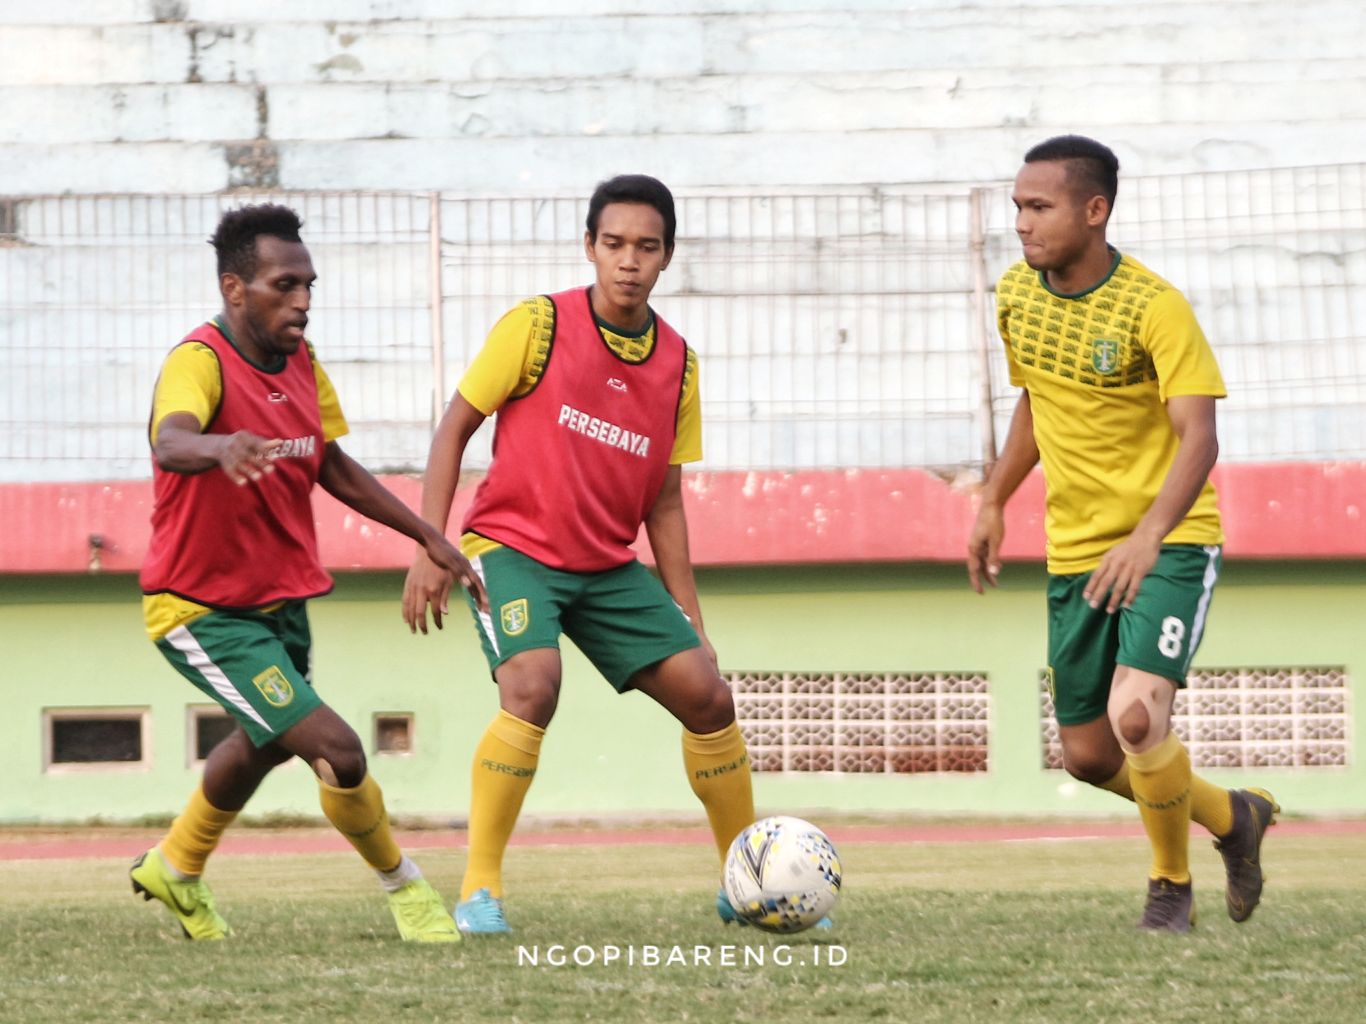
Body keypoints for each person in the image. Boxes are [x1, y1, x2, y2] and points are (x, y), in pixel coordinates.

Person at [403, 174, 762, 935]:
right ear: (590, 247)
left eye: (646, 246)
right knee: (534, 684)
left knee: (710, 696)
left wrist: (691, 617)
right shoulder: (537, 325)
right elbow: (453, 428)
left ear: (668, 255)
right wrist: (431, 545)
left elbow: (663, 500)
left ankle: (747, 886)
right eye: (614, 244)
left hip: (605, 567)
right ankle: (478, 894)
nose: (628, 261)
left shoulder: (679, 365)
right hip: (513, 551)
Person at [133, 203, 486, 943]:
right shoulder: (198, 361)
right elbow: (170, 440)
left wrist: (428, 535)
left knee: (264, 741)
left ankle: (176, 866)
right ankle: (408, 890)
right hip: (201, 610)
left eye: (308, 285)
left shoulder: (303, 360)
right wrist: (221, 444)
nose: (301, 301)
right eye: (283, 285)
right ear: (236, 288)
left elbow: (328, 462)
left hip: (277, 602)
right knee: (338, 749)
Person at [967, 136, 1279, 933]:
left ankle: (1169, 887)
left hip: (1167, 543)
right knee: (1091, 756)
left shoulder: (1154, 306)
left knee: (1138, 719)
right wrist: (995, 498)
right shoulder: (1015, 295)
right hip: (1077, 552)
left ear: (1094, 210)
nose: (1022, 225)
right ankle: (1232, 815)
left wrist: (1148, 535)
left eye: (1039, 208)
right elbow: (1039, 401)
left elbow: (1199, 436)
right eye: (1017, 208)